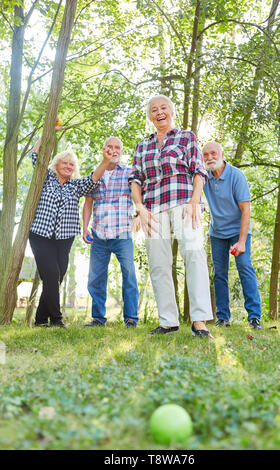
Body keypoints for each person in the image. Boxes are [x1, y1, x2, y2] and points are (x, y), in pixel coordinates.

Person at [129, 95, 213, 337]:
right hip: (153, 208)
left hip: (185, 202)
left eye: (163, 107)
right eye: (154, 110)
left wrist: (195, 200)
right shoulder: (142, 146)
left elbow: (198, 170)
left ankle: (199, 321)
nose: (159, 112)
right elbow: (135, 180)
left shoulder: (187, 137)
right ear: (150, 116)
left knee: (194, 256)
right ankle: (168, 321)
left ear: (172, 112)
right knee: (158, 264)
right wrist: (140, 208)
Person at [29, 122, 115, 328]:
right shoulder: (46, 178)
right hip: (40, 235)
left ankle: (40, 319)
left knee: (56, 277)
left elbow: (94, 178)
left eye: (71, 165)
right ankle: (57, 319)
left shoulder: (76, 185)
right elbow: (36, 155)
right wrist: (48, 132)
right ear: (56, 164)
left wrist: (105, 160)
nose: (68, 166)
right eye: (64, 163)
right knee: (51, 274)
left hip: (64, 237)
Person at [202, 141, 262, 329]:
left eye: (213, 153)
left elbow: (246, 210)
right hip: (217, 232)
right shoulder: (203, 177)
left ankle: (254, 317)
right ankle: (223, 318)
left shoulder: (236, 176)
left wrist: (242, 241)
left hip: (238, 231)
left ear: (222, 154)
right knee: (219, 274)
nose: (210, 157)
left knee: (245, 268)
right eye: (205, 155)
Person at [83, 136, 139, 328]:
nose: (114, 150)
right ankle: (98, 318)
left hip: (122, 234)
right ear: (104, 149)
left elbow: (140, 195)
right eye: (110, 147)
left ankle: (131, 318)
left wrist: (140, 214)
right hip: (98, 234)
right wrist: (84, 227)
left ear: (121, 151)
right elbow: (88, 203)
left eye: (118, 147)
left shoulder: (129, 173)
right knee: (96, 277)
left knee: (129, 275)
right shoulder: (95, 174)